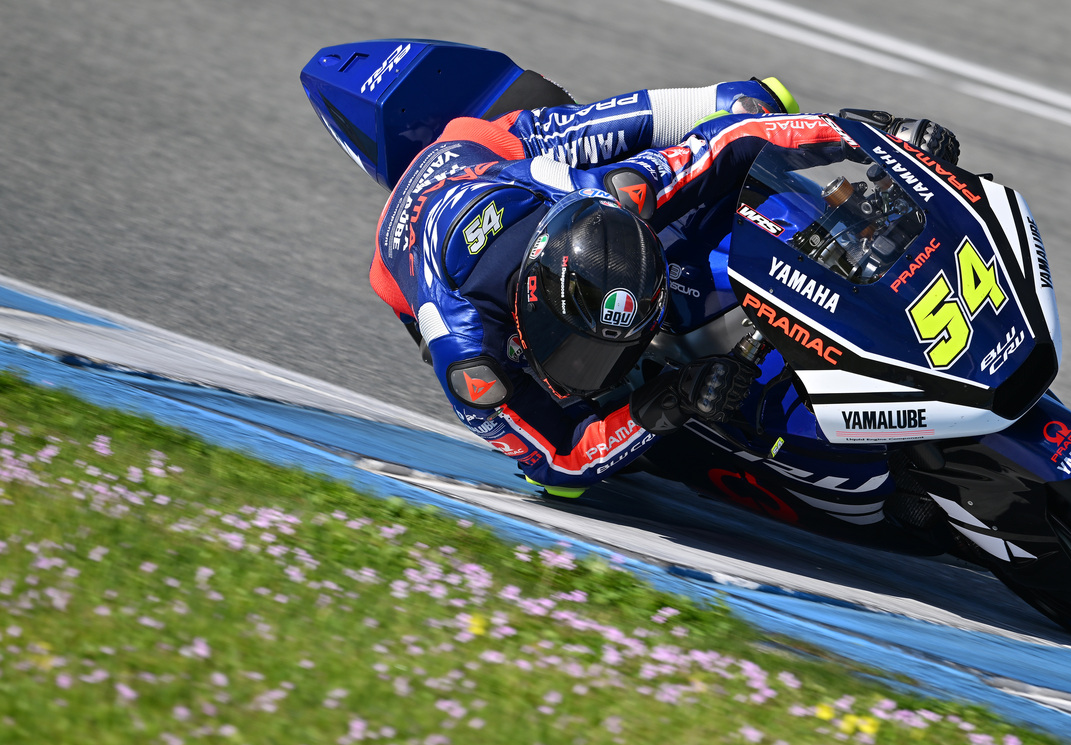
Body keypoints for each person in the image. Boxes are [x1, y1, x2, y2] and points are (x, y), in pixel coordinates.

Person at [369, 77, 957, 498]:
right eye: (590, 352)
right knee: (590, 482)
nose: (610, 362)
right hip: (453, 198)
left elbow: (736, 137)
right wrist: (668, 400)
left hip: (516, 160)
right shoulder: (468, 352)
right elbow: (559, 461)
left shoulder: (619, 190)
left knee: (754, 100)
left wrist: (869, 137)